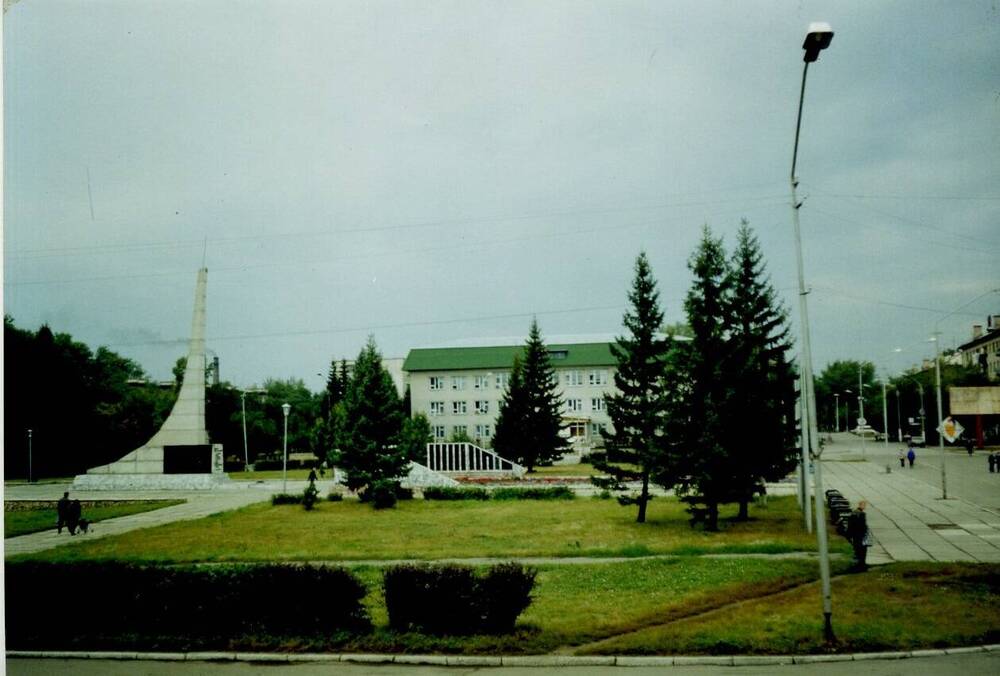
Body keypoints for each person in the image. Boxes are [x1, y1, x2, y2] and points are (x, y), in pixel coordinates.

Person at [846, 500, 871, 572]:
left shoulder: (853, 513)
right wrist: (865, 532)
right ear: (860, 505)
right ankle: (862, 565)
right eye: (864, 505)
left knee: (857, 550)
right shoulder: (861, 514)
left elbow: (850, 525)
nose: (864, 506)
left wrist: (849, 535)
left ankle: (859, 564)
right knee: (862, 550)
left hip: (855, 535)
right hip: (860, 535)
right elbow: (862, 526)